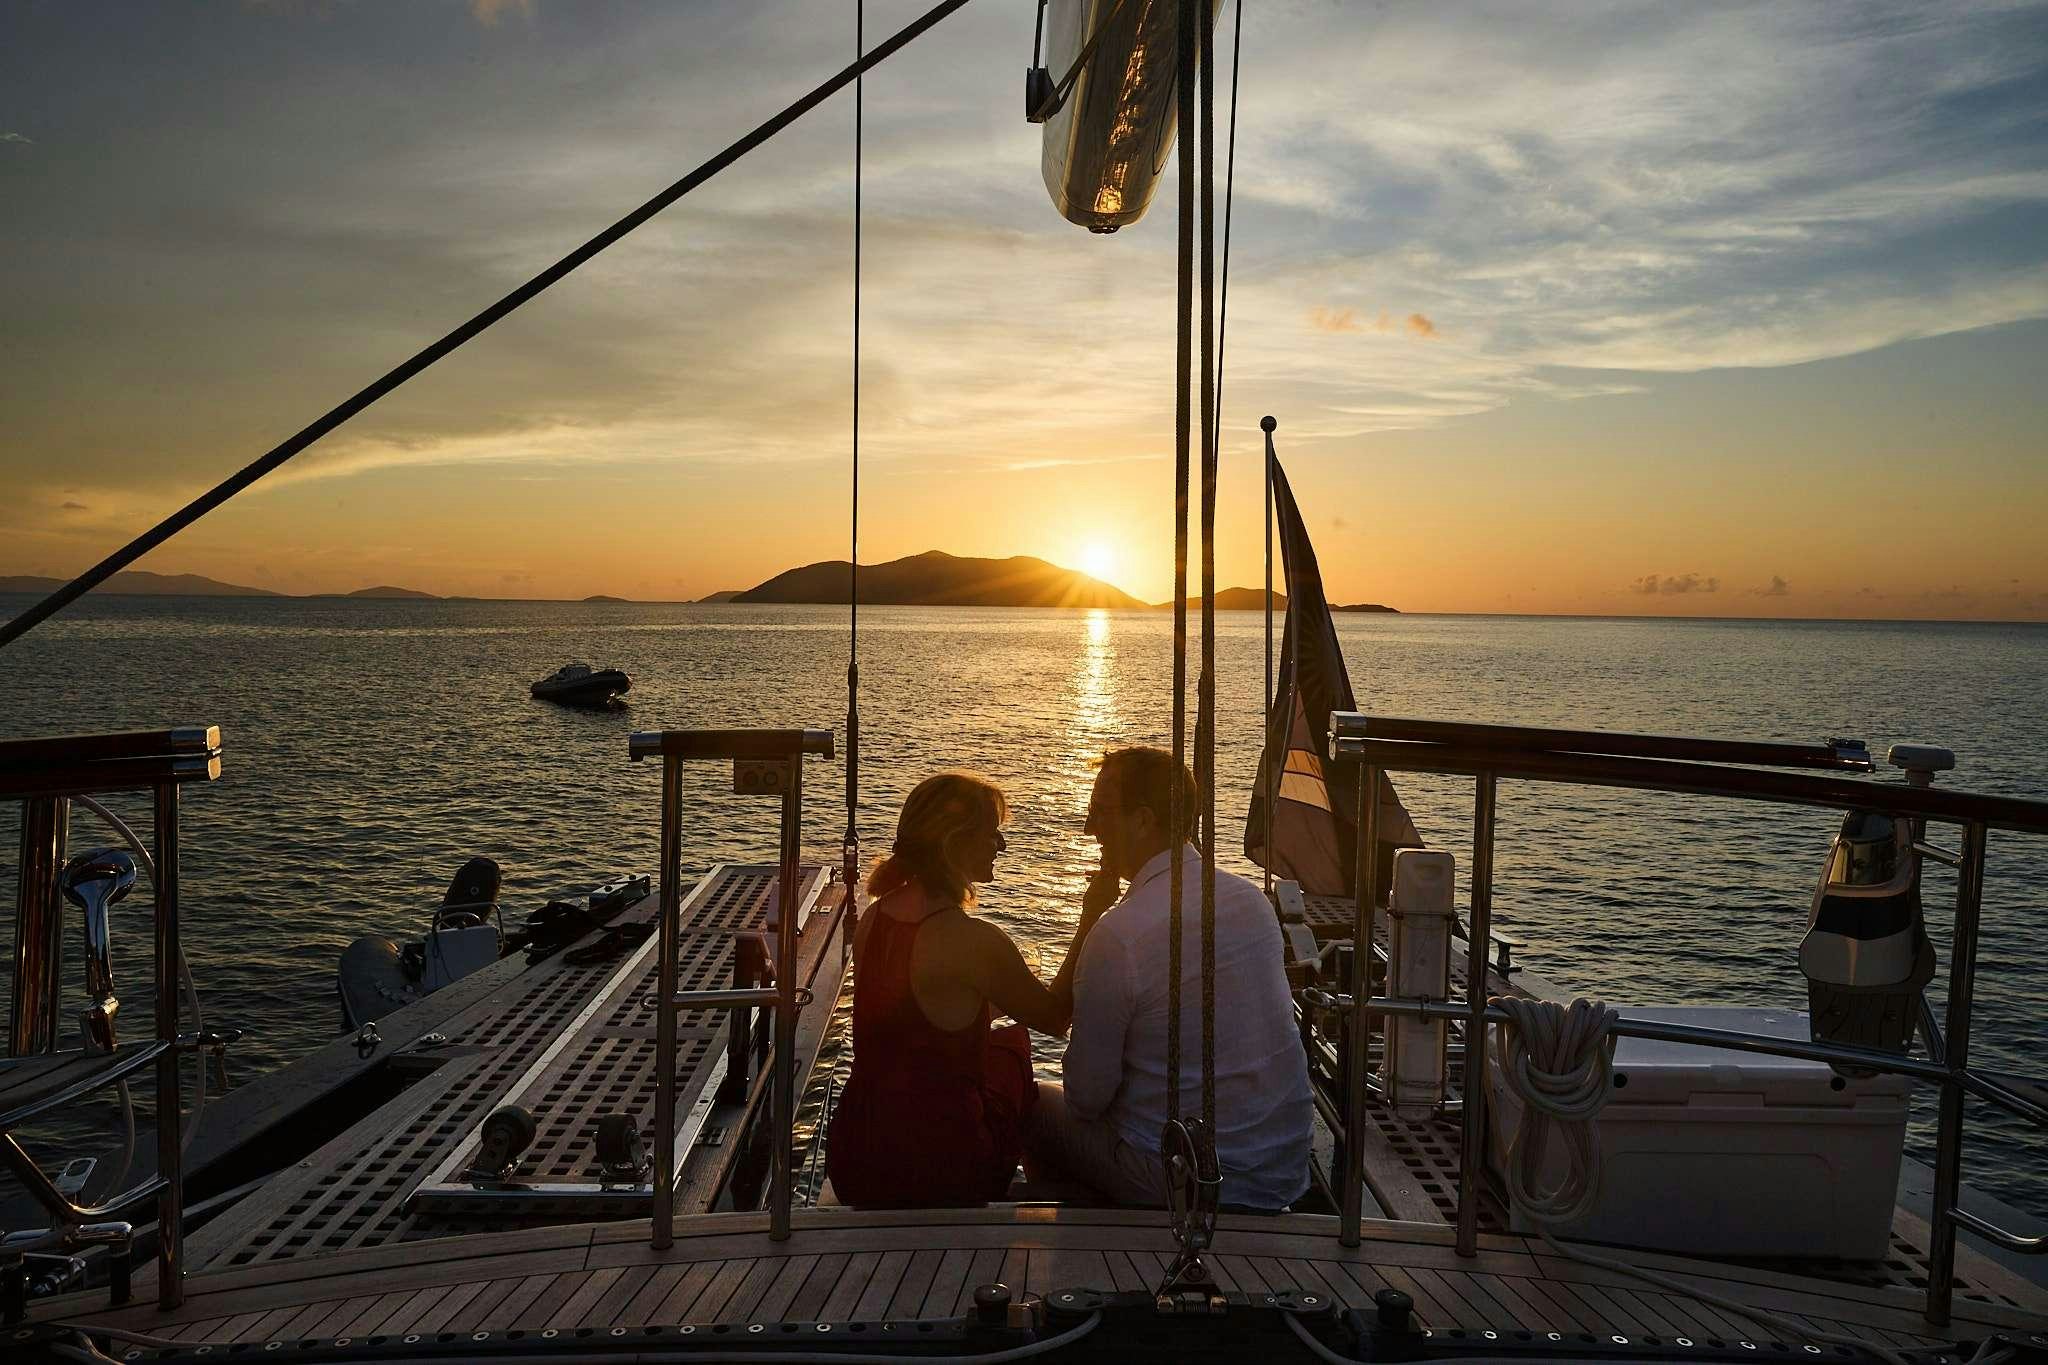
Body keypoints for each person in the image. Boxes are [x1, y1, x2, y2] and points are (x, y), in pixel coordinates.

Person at [1025, 746, 1313, 1210]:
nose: (1088, 827)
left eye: (1100, 811)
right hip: (1278, 1174)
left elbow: (1085, 1099)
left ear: (1142, 820)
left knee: (1034, 1103)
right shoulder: (1251, 902)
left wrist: (1091, 919)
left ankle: (1082, 1227)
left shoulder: (1119, 934)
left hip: (1189, 1183)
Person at [826, 772, 1101, 1207]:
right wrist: (1091, 917)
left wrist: (985, 1004)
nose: (1001, 846)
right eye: (992, 834)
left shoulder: (874, 920)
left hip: (857, 1157)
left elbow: (910, 1019)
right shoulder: (973, 941)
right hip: (941, 1168)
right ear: (954, 843)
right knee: (1013, 1051)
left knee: (991, 1046)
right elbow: (1055, 1018)